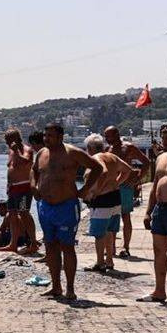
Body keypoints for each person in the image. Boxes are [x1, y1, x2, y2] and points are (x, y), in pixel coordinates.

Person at [31, 123, 103, 302]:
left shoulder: (72, 152)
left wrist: (85, 189)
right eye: (45, 135)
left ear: (61, 137)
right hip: (45, 207)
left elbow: (97, 168)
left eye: (51, 136)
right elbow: (34, 171)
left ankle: (70, 288)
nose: (46, 138)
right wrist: (33, 186)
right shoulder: (42, 153)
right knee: (50, 246)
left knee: (67, 246)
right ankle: (56, 286)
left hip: (66, 206)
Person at [139, 123, 167, 307]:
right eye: (163, 137)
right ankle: (159, 291)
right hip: (160, 210)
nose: (165, 141)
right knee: (158, 251)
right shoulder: (162, 157)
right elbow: (155, 185)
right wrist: (148, 211)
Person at [81, 134, 135, 272]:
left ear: (90, 148)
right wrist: (116, 183)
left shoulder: (96, 158)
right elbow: (128, 170)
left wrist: (97, 191)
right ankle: (109, 261)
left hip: (102, 200)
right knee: (110, 231)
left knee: (99, 234)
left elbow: (103, 172)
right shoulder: (112, 156)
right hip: (115, 197)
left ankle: (100, 262)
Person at [103, 126, 150, 258]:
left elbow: (146, 162)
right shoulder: (108, 149)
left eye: (108, 136)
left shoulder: (128, 147)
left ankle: (126, 246)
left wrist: (138, 179)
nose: (106, 139)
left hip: (124, 187)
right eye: (105, 136)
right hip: (111, 187)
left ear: (117, 134)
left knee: (125, 216)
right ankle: (111, 247)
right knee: (111, 217)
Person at [0, 129, 39, 253]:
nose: (7, 143)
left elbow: (26, 161)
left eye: (8, 140)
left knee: (24, 213)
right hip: (13, 188)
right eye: (6, 140)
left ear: (15, 139)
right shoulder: (11, 151)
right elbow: (11, 167)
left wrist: (16, 150)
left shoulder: (27, 149)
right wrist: (8, 184)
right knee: (12, 215)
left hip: (23, 188)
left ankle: (33, 243)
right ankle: (13, 244)